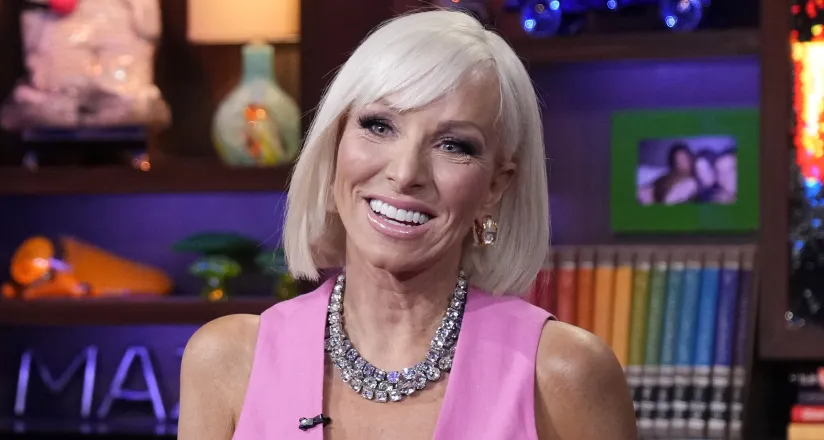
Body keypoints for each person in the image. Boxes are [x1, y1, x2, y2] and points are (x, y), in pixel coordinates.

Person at [178, 10, 636, 440]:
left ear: (495, 187)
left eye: (454, 145)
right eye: (379, 126)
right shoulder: (227, 361)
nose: (405, 172)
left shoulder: (564, 374)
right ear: (334, 145)